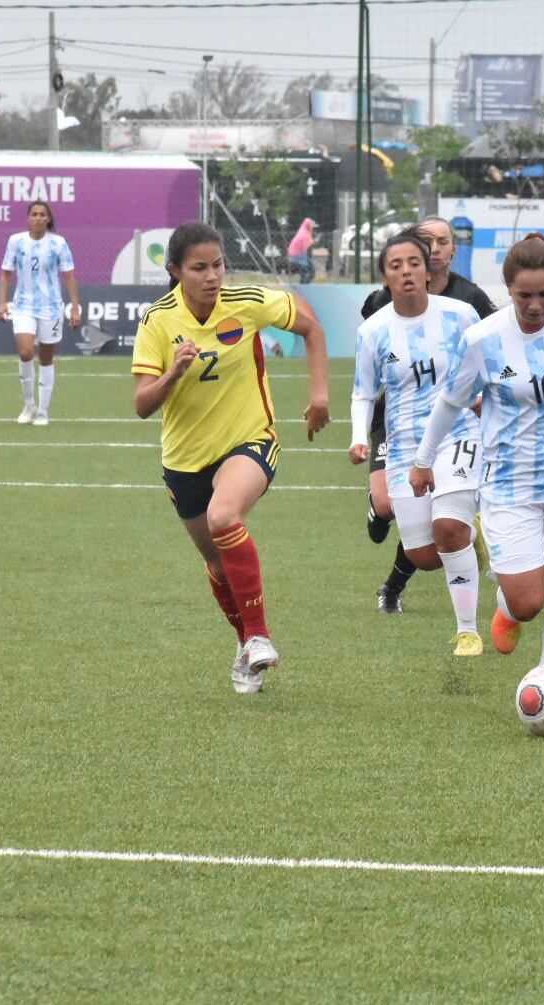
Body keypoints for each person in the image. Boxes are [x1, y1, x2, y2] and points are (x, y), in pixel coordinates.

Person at [410, 233, 544, 671]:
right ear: (508, 290)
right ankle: (509, 609)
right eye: (524, 296)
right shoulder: (482, 338)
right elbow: (450, 403)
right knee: (529, 601)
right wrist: (422, 462)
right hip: (509, 487)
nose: (535, 305)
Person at [131, 222, 331, 694]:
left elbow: (311, 328)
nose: (212, 276)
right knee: (218, 565)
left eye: (217, 264)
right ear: (176, 271)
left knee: (225, 516)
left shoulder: (249, 302)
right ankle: (246, 646)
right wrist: (174, 372)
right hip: (184, 461)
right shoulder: (157, 320)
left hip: (250, 440)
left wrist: (319, 396)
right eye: (199, 268)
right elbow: (142, 405)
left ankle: (259, 634)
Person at [349, 233, 484, 656]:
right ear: (385, 278)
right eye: (395, 266)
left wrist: (488, 400)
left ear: (429, 271)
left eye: (413, 263)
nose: (406, 271)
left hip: (458, 434)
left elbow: (490, 360)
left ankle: (468, 631)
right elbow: (363, 393)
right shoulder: (373, 331)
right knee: (424, 553)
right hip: (405, 446)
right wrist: (358, 438)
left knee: (448, 526)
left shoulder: (461, 314)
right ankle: (475, 533)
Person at [0, 200, 80, 426]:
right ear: (28, 218)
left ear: (48, 219)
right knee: (25, 352)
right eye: (34, 214)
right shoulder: (16, 241)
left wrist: (74, 307)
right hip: (23, 306)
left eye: (42, 214)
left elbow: (69, 276)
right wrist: (2, 302)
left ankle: (43, 412)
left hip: (51, 308)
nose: (38, 218)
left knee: (46, 358)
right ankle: (29, 405)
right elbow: (5, 273)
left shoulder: (58, 243)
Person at [287, 217, 316, 284]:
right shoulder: (305, 233)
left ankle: (302, 283)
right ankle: (304, 285)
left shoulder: (302, 230)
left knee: (303, 271)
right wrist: (313, 242)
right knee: (311, 272)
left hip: (296, 253)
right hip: (298, 254)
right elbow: (305, 245)